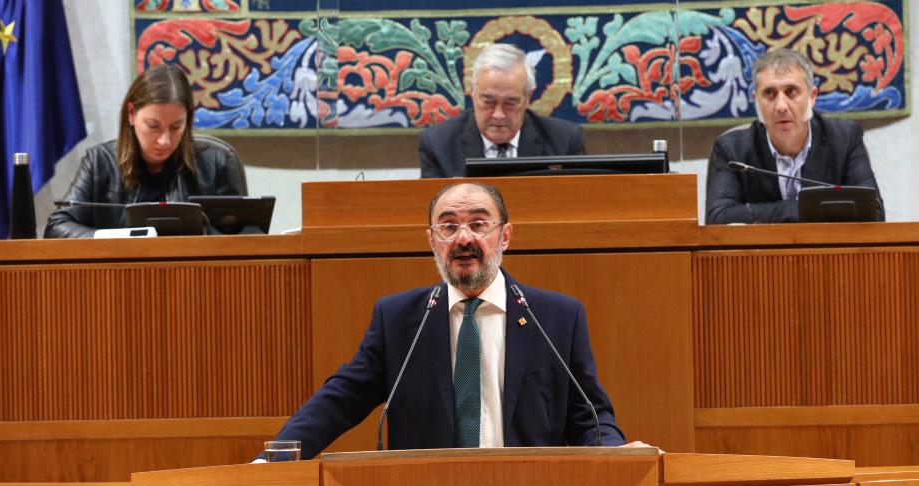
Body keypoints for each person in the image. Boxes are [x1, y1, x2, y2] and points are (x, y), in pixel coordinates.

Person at [272, 182, 641, 459]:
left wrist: (617, 452)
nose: (464, 238)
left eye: (479, 224)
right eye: (448, 227)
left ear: (505, 236)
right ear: (432, 240)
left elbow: (589, 416)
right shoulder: (400, 319)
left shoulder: (556, 317)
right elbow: (343, 398)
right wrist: (277, 456)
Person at [44, 64, 244, 238]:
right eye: (153, 126)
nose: (164, 141)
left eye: (176, 127)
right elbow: (57, 227)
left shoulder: (215, 162)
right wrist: (117, 239)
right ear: (131, 114)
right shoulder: (100, 162)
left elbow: (243, 235)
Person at [705, 48, 883, 224]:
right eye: (769, 93)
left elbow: (874, 212)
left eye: (791, 92)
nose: (781, 106)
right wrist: (799, 209)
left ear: (812, 97)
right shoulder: (733, 150)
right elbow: (718, 218)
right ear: (756, 100)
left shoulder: (844, 138)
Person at [419, 44, 586, 178]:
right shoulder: (438, 143)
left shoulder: (565, 140)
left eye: (511, 102)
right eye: (488, 101)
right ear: (473, 92)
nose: (498, 114)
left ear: (528, 97)